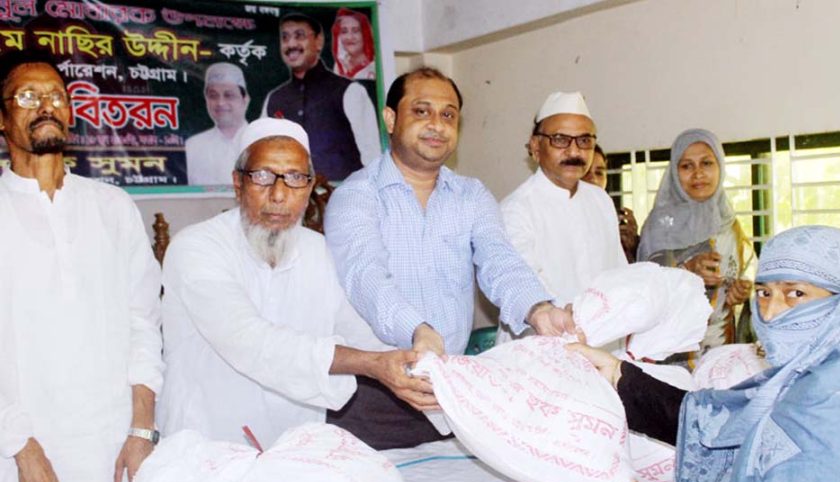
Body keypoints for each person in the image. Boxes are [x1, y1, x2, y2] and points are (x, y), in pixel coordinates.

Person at [571, 225, 840, 482]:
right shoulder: (837, 370)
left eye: (796, 294)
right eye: (764, 293)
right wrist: (619, 376)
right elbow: (739, 419)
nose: (769, 314)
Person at [323, 67, 575, 448]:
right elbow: (365, 277)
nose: (436, 126)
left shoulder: (472, 196)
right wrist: (416, 329)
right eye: (421, 112)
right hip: (372, 394)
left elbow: (499, 260)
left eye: (448, 115)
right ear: (391, 119)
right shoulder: (357, 196)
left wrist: (538, 310)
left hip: (449, 393)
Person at [159, 118, 434, 447]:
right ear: (237, 182)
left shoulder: (318, 250)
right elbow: (251, 341)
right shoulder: (197, 246)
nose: (278, 194)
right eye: (262, 176)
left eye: (294, 178)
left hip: (293, 445)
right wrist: (373, 365)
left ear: (309, 186)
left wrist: (421, 364)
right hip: (206, 441)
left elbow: (361, 331)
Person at [0, 51, 162, 482]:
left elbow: (144, 324)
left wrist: (141, 432)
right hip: (19, 467)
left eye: (56, 96)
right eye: (28, 96)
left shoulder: (112, 206)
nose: (46, 105)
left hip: (116, 462)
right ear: (2, 118)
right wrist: (21, 448)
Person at [499, 92, 626, 342]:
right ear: (535, 146)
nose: (574, 151)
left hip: (603, 344)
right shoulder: (516, 209)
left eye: (584, 140)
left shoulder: (600, 200)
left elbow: (619, 274)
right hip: (541, 348)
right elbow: (526, 287)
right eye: (560, 140)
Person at [637, 128, 752, 355]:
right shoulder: (658, 225)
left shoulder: (729, 224)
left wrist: (742, 291)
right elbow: (641, 284)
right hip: (669, 352)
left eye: (707, 163)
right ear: (674, 172)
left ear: (720, 167)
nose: (698, 174)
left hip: (721, 349)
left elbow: (746, 273)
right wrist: (685, 268)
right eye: (687, 166)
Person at [261, 13, 380, 182]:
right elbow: (262, 154)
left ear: (318, 41)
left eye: (299, 36)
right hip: (290, 201)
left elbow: (372, 156)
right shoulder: (274, 99)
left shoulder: (349, 91)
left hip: (343, 201)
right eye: (285, 38)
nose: (291, 44)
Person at [185, 63, 250, 186]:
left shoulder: (260, 141)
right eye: (213, 96)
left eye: (229, 95)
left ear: (245, 99)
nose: (220, 103)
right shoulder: (193, 147)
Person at [582, 143, 640, 263]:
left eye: (599, 173)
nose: (593, 179)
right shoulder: (561, 216)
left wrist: (632, 246)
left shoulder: (611, 216)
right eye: (586, 172)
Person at [331, 8, 376, 80]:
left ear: (365, 35)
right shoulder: (339, 65)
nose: (349, 37)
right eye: (344, 31)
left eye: (355, 31)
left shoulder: (375, 65)